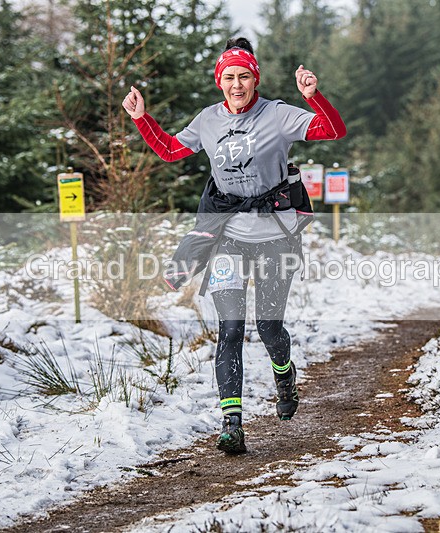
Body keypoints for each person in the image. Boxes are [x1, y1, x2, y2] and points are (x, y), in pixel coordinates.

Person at [122, 37, 346, 454]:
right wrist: (141, 118)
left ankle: (284, 374)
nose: (237, 84)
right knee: (230, 329)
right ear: (219, 81)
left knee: (268, 327)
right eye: (230, 77)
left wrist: (314, 97)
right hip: (228, 240)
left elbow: (332, 130)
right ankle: (232, 424)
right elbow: (171, 150)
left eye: (244, 76)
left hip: (276, 238)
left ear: (254, 79)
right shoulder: (208, 120)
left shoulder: (276, 114)